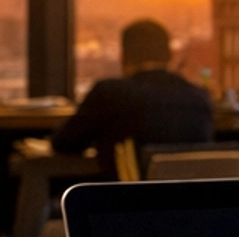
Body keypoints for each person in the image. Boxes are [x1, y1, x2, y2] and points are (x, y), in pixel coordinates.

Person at [52, 18, 215, 180]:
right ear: (170, 56)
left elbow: (65, 143)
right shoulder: (199, 97)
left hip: (127, 201)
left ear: (124, 58)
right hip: (190, 203)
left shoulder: (110, 93)